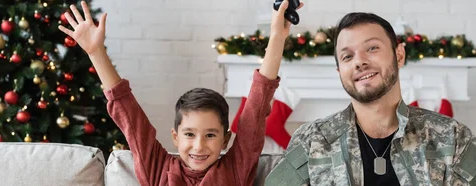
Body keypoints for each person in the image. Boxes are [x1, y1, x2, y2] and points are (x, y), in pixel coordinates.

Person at [58, 1, 303, 185]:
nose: (198, 146)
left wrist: (277, 36)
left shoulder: (236, 170)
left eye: (210, 135)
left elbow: (256, 108)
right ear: (176, 137)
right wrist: (95, 52)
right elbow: (128, 113)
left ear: (226, 140)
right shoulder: (157, 168)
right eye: (189, 134)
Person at [264, 12, 476, 186]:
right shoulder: (313, 140)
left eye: (372, 48)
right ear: (340, 73)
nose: (359, 61)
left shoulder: (452, 137)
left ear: (399, 55)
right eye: (347, 57)